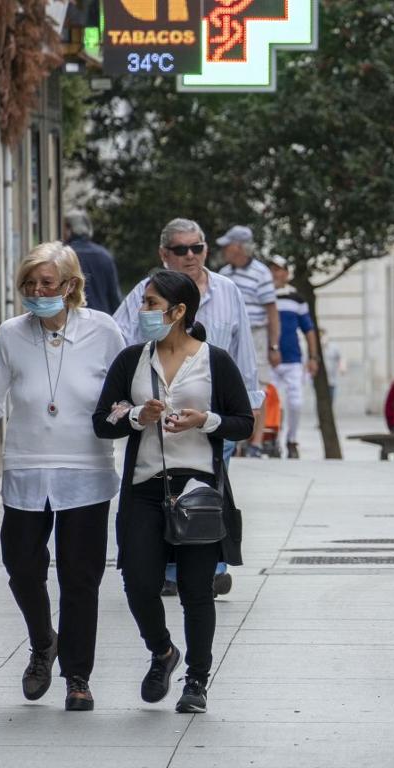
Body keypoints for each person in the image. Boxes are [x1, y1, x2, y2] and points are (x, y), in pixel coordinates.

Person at [0, 242, 125, 711]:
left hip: (86, 469)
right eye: (29, 283)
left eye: (45, 283)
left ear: (70, 286)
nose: (36, 291)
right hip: (27, 468)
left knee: (80, 576)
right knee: (22, 566)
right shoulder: (11, 334)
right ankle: (42, 640)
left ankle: (77, 676)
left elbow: (125, 388)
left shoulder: (104, 330)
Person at [93, 270, 253, 715]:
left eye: (150, 303)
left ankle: (197, 679)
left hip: (197, 487)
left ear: (178, 311)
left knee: (196, 589)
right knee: (138, 582)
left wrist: (206, 420)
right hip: (145, 487)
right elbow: (101, 421)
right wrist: (136, 417)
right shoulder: (131, 360)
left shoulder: (214, 360)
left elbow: (244, 421)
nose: (143, 311)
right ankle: (162, 652)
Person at [113, 218, 263, 598]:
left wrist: (251, 407)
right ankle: (167, 566)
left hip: (213, 418)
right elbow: (117, 344)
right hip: (158, 420)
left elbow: (243, 351)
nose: (191, 256)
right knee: (163, 489)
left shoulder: (227, 291)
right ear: (165, 254)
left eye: (197, 247)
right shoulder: (142, 297)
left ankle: (211, 566)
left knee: (209, 490)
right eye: (181, 250)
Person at [218, 225, 281, 458]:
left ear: (238, 247)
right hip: (231, 333)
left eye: (228, 245)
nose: (224, 249)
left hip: (256, 334)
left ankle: (255, 442)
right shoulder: (224, 273)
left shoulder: (261, 273)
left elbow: (272, 311)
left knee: (259, 386)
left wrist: (274, 346)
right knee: (229, 384)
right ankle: (235, 439)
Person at [270, 255, 319, 459]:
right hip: (268, 360)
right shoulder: (261, 297)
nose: (275, 274)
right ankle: (271, 440)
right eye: (271, 270)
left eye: (279, 269)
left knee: (296, 402)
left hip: (293, 360)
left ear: (286, 273)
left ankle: (291, 440)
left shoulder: (297, 298)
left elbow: (308, 328)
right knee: (271, 403)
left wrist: (313, 357)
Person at [63, 209, 121, 315]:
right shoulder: (105, 256)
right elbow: (114, 297)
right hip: (102, 319)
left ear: (68, 229)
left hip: (73, 319)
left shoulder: (65, 256)